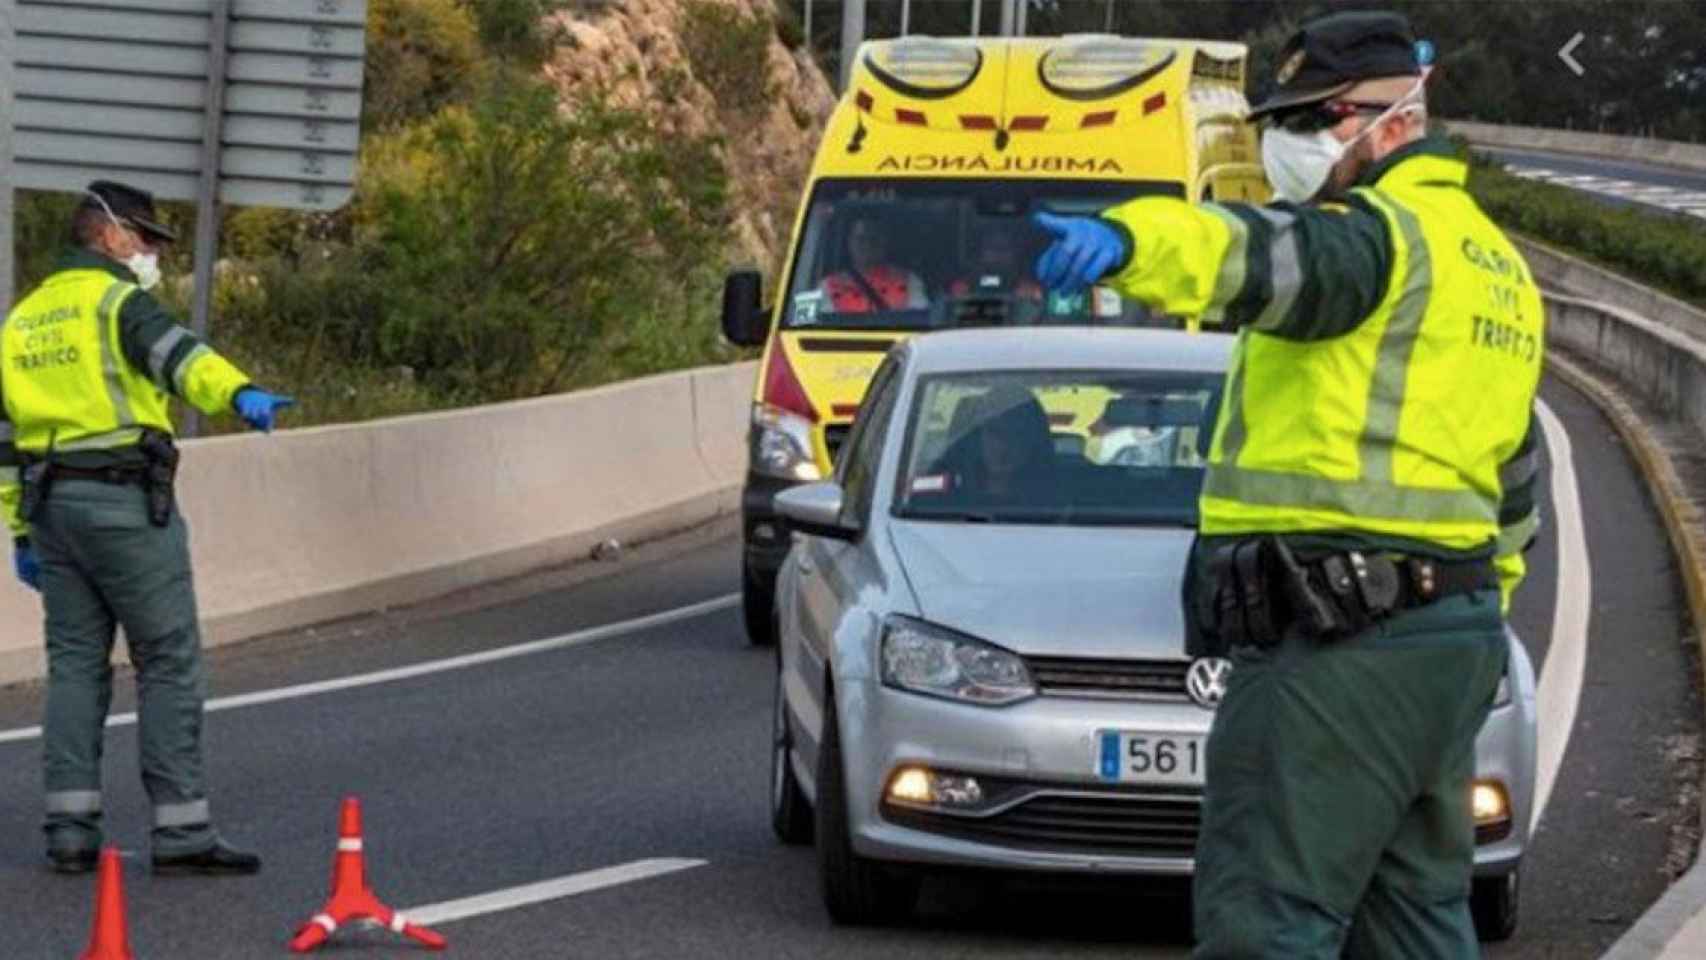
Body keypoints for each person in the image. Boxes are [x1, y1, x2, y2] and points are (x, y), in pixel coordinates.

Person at [1032, 12, 1543, 958]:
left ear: (1394, 118)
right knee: (1412, 925)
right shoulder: (1495, 268)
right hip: (1447, 639)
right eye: (1283, 121)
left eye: (1316, 119)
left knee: (1265, 922)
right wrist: (1465, 628)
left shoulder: (1370, 242)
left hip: (1339, 643)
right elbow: (1515, 484)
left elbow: (1256, 257)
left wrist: (1130, 240)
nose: (1289, 145)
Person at [0, 181, 294, 876]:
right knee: (166, 658)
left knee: (75, 665)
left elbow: (5, 438)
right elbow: (180, 357)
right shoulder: (116, 302)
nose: (151, 253)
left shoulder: (20, 322)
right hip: (123, 503)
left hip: (52, 511)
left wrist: (18, 532)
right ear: (107, 234)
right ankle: (182, 830)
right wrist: (240, 393)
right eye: (144, 238)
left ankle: (69, 829)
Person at [818, 214, 929, 312]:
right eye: (861, 239)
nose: (867, 245)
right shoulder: (828, 286)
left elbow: (918, 320)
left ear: (885, 242)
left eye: (874, 239)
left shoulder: (909, 281)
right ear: (849, 243)